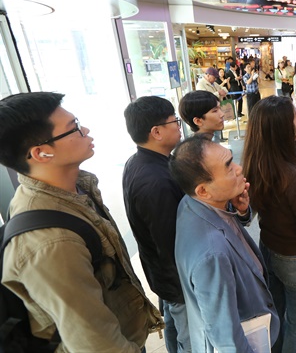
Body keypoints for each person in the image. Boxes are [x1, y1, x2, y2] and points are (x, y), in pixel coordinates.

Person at [0, 92, 163, 352]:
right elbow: (97, 345)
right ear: (42, 153)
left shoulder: (75, 189)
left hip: (128, 334)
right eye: (73, 127)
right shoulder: (51, 242)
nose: (85, 129)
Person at [170, 134, 280, 352]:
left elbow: (232, 230)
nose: (239, 169)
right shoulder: (212, 255)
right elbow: (226, 337)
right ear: (203, 190)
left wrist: (240, 211)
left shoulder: (191, 202)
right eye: (228, 167)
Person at [242, 96, 296, 352]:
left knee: (275, 314)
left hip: (267, 247)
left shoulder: (254, 163)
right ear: (286, 128)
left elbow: (250, 214)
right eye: (295, 117)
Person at [122, 96, 190, 353]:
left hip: (161, 275)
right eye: (175, 121)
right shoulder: (157, 181)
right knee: (190, 339)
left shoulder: (138, 162)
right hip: (176, 280)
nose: (178, 126)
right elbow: (171, 242)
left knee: (172, 326)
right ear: (157, 132)